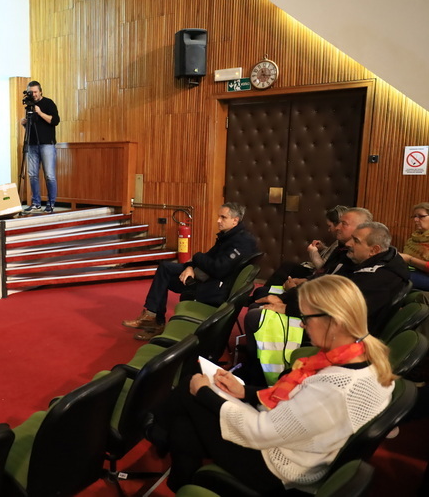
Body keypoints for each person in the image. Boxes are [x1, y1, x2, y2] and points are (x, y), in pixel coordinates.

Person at [154, 275, 395, 493]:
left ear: (335, 321)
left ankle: (155, 430)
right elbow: (297, 403)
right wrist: (245, 391)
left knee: (189, 388)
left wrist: (204, 392)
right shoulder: (367, 359)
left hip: (280, 469)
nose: (302, 324)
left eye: (306, 318)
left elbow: (261, 431)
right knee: (184, 426)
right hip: (299, 447)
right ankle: (179, 478)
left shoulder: (334, 386)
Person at [245, 221, 410, 385]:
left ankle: (263, 382)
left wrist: (290, 308)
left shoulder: (380, 279)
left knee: (256, 317)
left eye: (356, 241)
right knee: (260, 307)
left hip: (343, 333)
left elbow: (339, 309)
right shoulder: (369, 261)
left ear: (374, 250)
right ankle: (254, 373)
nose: (349, 244)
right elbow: (326, 286)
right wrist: (289, 300)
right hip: (328, 318)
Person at [122, 202, 258, 340]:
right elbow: (208, 257)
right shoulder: (229, 235)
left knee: (165, 273)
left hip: (215, 288)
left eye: (223, 217)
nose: (218, 220)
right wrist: (190, 267)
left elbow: (218, 269)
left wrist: (196, 257)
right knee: (165, 269)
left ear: (235, 220)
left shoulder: (242, 241)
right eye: (219, 216)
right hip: (208, 278)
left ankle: (155, 320)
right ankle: (152, 317)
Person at [20, 80, 60, 214]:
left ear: (40, 91)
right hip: (32, 144)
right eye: (31, 92)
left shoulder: (48, 103)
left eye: (35, 92)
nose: (34, 94)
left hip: (47, 144)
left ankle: (51, 203)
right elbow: (31, 126)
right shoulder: (29, 106)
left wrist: (40, 112)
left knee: (49, 175)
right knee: (32, 175)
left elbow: (55, 121)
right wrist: (25, 123)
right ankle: (36, 203)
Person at [399, 202, 429, 290]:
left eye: (421, 216)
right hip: (414, 273)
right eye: (415, 216)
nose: (416, 219)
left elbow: (408, 259)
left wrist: (409, 259)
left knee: (399, 276)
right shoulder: (412, 240)